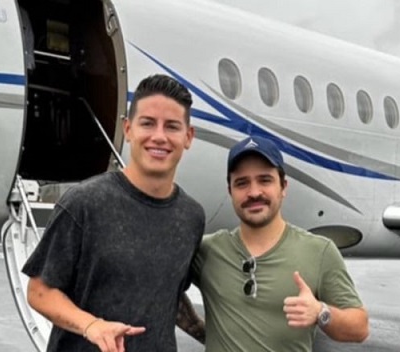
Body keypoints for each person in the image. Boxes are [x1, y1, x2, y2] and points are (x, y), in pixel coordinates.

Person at [22, 74, 205, 352]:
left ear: (188, 137)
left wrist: (212, 335)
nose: (159, 136)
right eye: (147, 123)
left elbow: (170, 294)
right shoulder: (84, 203)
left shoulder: (191, 216)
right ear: (128, 129)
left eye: (172, 126)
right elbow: (39, 292)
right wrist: (92, 325)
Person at [178, 135, 369, 351]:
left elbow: (359, 327)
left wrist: (321, 312)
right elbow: (153, 278)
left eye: (265, 180)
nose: (254, 192)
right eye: (242, 183)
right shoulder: (208, 251)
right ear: (230, 191)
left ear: (283, 186)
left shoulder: (319, 252)